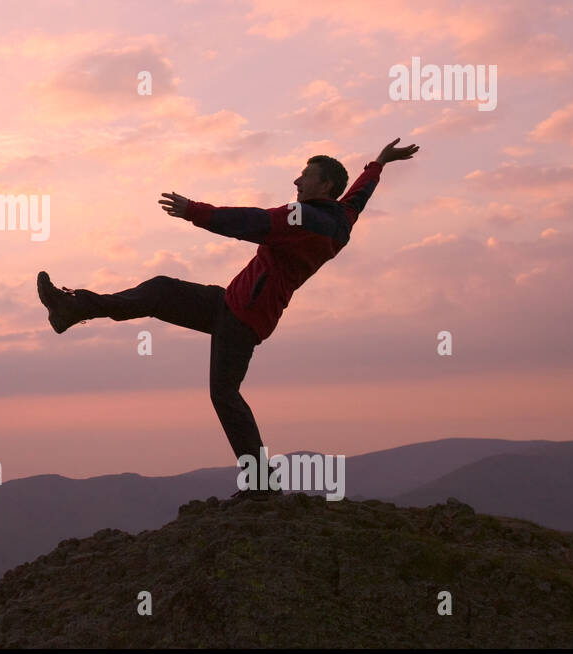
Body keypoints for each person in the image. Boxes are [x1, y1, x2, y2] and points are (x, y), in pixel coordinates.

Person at [37, 137, 419, 502]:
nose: (296, 179)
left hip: (243, 318)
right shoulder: (342, 218)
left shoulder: (301, 221)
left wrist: (193, 211)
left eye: (305, 174)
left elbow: (249, 221)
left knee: (224, 394)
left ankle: (260, 487)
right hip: (231, 304)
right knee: (159, 290)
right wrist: (379, 163)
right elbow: (359, 196)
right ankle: (72, 307)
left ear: (326, 184)